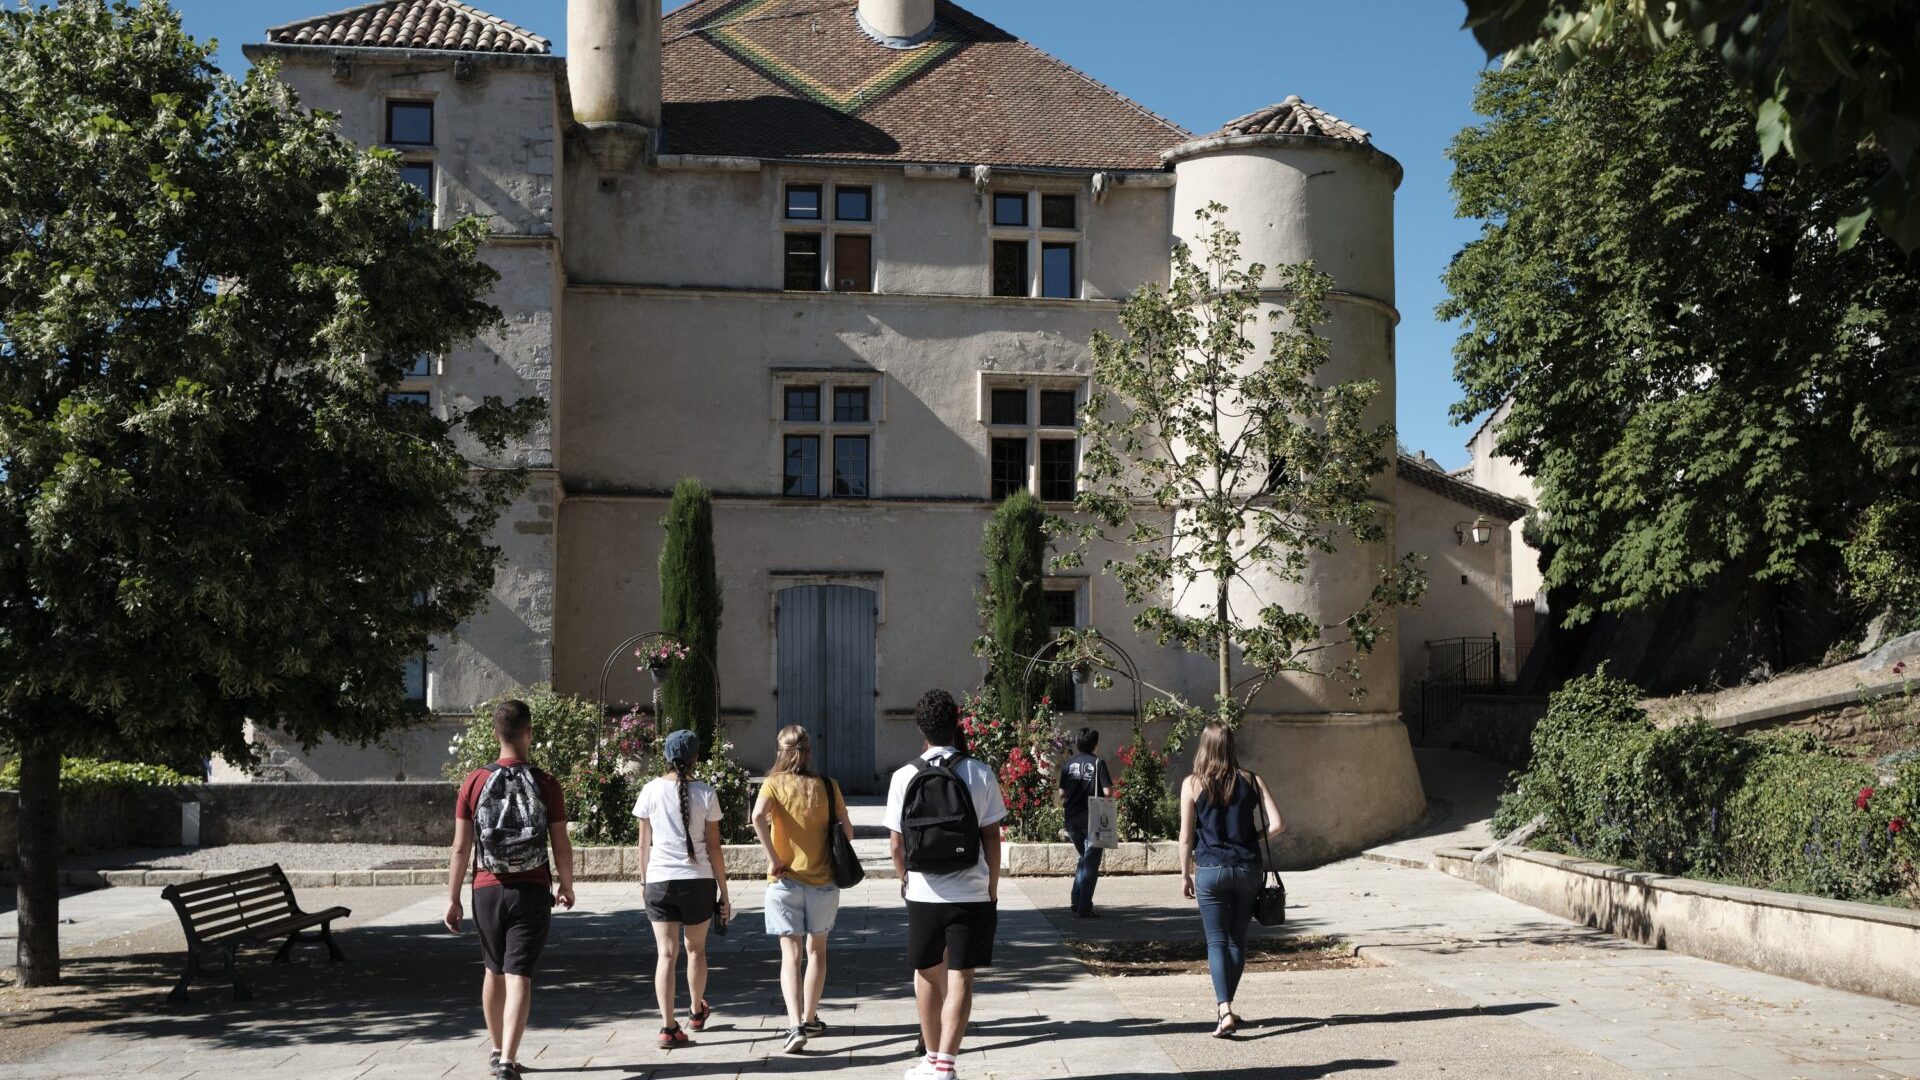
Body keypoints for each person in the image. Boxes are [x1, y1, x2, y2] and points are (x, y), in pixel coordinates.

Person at [445, 699, 576, 1080]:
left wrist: (453, 899)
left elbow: (460, 848)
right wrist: (566, 885)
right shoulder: (546, 783)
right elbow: (561, 845)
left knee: (493, 969)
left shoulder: (473, 781)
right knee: (519, 974)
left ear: (495, 734)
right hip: (531, 890)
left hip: (487, 888)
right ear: (529, 733)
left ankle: (496, 1048)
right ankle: (508, 1062)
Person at [886, 689, 1007, 1080]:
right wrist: (991, 887)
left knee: (925, 973)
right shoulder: (979, 772)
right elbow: (992, 838)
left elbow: (896, 845)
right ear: (956, 723)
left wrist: (905, 880)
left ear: (920, 729)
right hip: (970, 892)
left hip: (923, 893)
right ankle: (946, 1065)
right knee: (961, 977)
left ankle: (930, 1058)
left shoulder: (904, 776)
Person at [750, 725, 855, 1053]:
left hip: (784, 880)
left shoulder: (773, 783)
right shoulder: (828, 785)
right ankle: (810, 1018)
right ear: (809, 751)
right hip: (823, 881)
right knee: (817, 951)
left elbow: (756, 817)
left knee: (790, 954)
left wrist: (774, 858)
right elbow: (848, 833)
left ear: (780, 751)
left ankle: (794, 1025)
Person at [1178, 720, 1284, 1039]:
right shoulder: (1252, 780)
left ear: (1204, 747)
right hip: (1247, 867)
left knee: (1216, 941)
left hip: (1210, 869)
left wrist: (1184, 874)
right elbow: (1278, 824)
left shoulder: (1192, 784)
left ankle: (1223, 1008)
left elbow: (1186, 837)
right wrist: (1254, 838)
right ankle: (1226, 1008)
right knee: (1237, 940)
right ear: (1231, 746)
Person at [635, 728, 730, 1049]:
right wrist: (724, 893)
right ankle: (696, 1012)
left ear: (665, 756)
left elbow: (643, 845)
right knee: (696, 950)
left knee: (665, 954)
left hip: (660, 880)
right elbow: (714, 848)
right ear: (696, 758)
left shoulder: (649, 790)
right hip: (699, 881)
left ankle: (667, 1027)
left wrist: (644, 881)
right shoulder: (706, 793)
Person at [1057, 726, 1113, 918]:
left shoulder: (1068, 764)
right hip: (1093, 817)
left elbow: (1061, 793)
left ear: (1078, 744)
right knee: (1091, 864)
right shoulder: (1098, 763)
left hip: (1071, 817)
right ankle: (1084, 907)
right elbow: (1107, 792)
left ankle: (1076, 900)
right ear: (1094, 744)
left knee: (1084, 858)